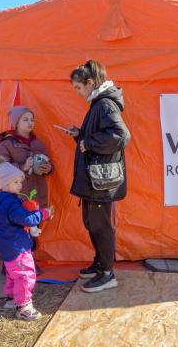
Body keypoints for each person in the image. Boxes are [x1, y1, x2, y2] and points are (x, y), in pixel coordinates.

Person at [66, 60, 130, 293]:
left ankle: (107, 274)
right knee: (92, 224)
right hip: (96, 179)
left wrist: (88, 142)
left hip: (101, 181)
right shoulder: (98, 103)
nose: (77, 92)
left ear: (90, 83)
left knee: (100, 226)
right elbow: (100, 137)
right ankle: (100, 264)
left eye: (78, 87)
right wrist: (80, 136)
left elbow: (120, 135)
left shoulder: (104, 104)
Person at [0, 156, 54, 321]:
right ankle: (24, 306)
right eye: (16, 182)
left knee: (12, 272)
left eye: (20, 182)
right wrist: (43, 213)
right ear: (5, 184)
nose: (20, 185)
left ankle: (12, 299)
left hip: (8, 243)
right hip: (16, 244)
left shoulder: (6, 199)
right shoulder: (10, 203)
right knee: (24, 273)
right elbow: (26, 219)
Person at [0, 105, 52, 274]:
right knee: (15, 227)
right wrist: (22, 166)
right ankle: (10, 263)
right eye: (25, 119)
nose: (30, 123)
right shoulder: (7, 144)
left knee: (33, 225)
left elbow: (49, 165)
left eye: (32, 119)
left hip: (36, 193)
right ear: (16, 123)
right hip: (16, 194)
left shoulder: (38, 143)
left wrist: (48, 168)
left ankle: (29, 261)